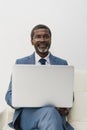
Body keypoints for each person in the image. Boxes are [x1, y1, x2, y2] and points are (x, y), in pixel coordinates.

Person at [5, 24, 74, 130]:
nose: (42, 40)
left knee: (50, 114)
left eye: (46, 36)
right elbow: (9, 95)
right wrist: (19, 100)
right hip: (29, 115)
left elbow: (69, 94)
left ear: (51, 40)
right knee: (50, 114)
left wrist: (66, 107)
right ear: (32, 41)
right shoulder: (21, 63)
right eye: (38, 37)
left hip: (55, 114)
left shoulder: (62, 63)